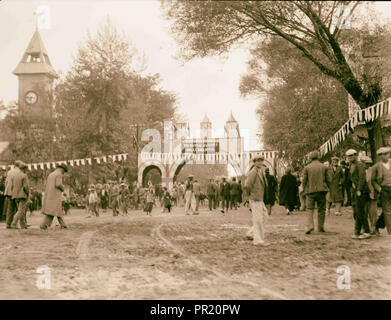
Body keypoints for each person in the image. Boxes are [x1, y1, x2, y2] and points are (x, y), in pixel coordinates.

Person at [302, 151, 331, 234]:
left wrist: (304, 189)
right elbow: (329, 179)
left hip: (310, 191)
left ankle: (310, 225)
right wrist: (327, 187)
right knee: (321, 209)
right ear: (318, 157)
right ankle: (320, 227)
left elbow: (304, 180)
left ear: (310, 158)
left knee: (309, 209)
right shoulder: (324, 167)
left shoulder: (307, 167)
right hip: (322, 191)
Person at [347, 149, 371, 239]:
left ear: (355, 155)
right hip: (354, 190)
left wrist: (359, 189)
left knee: (360, 212)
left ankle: (366, 231)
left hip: (360, 191)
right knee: (357, 212)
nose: (349, 158)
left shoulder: (360, 165)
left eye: (351, 156)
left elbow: (362, 178)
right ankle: (357, 232)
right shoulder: (351, 165)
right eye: (348, 156)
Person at [245, 155, 269, 246]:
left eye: (261, 160)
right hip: (255, 199)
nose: (260, 162)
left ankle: (251, 233)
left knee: (264, 216)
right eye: (258, 161)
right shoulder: (253, 172)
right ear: (254, 162)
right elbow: (247, 186)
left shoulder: (260, 171)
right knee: (258, 219)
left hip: (260, 199)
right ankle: (258, 240)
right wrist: (248, 199)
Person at [40, 164, 69, 230]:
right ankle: (44, 225)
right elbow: (58, 184)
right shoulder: (59, 174)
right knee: (53, 212)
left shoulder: (51, 174)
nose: (64, 173)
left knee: (56, 211)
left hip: (49, 195)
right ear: (62, 169)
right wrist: (63, 188)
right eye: (64, 171)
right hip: (55, 195)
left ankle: (63, 225)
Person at [371, 147, 391, 235]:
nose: (386, 155)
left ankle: (377, 225)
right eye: (383, 154)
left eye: (387, 153)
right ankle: (390, 231)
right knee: (387, 211)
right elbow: (372, 180)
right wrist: (379, 188)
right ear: (380, 156)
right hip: (384, 189)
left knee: (387, 211)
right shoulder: (376, 166)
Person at [362, 155, 379, 235]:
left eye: (369, 163)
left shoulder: (372, 170)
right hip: (363, 194)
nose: (367, 165)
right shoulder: (359, 170)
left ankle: (374, 228)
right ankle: (365, 229)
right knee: (363, 212)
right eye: (365, 163)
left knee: (373, 213)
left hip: (372, 194)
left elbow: (375, 181)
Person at [10, 162, 30, 229]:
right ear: (24, 169)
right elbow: (25, 187)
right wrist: (28, 194)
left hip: (15, 195)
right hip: (22, 195)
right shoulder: (24, 176)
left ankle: (23, 225)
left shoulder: (14, 176)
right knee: (20, 211)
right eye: (26, 169)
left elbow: (11, 186)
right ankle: (14, 223)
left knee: (21, 210)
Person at [3, 161, 21, 228]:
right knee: (18, 209)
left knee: (10, 208)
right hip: (15, 192)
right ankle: (15, 224)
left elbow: (6, 182)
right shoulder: (19, 172)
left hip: (8, 192)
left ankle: (8, 223)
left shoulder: (9, 172)